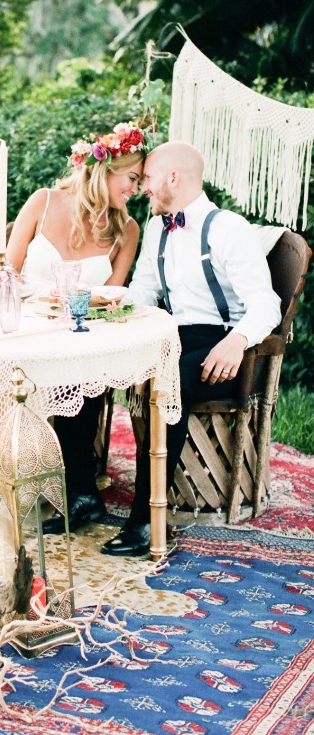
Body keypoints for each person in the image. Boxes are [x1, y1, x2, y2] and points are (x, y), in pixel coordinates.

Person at [102, 140, 282, 558]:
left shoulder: (227, 228)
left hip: (227, 346)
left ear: (173, 177)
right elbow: (145, 289)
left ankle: (146, 519)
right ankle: (80, 489)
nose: (143, 186)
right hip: (171, 337)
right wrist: (116, 313)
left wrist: (237, 340)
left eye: (147, 178)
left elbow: (265, 303)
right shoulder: (154, 227)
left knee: (172, 383)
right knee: (97, 363)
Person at [6, 122, 147, 534]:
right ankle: (43, 480)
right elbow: (8, 276)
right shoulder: (44, 202)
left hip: (79, 336)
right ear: (106, 169)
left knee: (80, 366)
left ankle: (80, 492)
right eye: (132, 178)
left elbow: (113, 296)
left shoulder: (127, 229)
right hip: (24, 330)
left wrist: (82, 307)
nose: (135, 190)